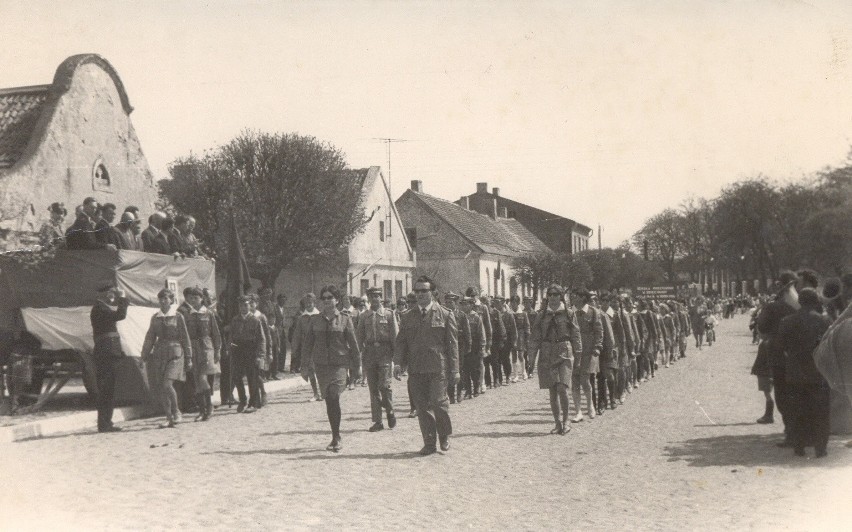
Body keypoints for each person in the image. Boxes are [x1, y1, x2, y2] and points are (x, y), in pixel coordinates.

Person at [394, 275, 459, 455]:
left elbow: (453, 345)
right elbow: (401, 342)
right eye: (417, 291)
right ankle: (429, 442)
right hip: (416, 368)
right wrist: (398, 363)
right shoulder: (408, 316)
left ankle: (444, 435)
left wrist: (455, 370)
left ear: (433, 293)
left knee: (439, 404)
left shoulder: (445, 314)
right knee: (422, 407)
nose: (420, 294)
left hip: (438, 367)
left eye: (424, 291)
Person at [301, 285, 362, 452]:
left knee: (334, 395)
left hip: (339, 365)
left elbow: (354, 345)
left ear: (337, 300)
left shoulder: (345, 319)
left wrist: (357, 368)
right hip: (321, 366)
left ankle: (337, 437)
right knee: (329, 400)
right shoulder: (315, 320)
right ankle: (335, 435)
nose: (327, 300)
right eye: (324, 298)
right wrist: (304, 367)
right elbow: (307, 345)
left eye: (330, 297)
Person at [778, 288, 831, 458]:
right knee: (821, 412)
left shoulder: (787, 321)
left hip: (795, 373)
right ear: (816, 301)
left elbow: (781, 346)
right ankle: (820, 448)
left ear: (799, 301)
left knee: (797, 410)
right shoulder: (824, 321)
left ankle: (799, 446)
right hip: (818, 373)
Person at [530, 285, 581, 435]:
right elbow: (535, 338)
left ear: (561, 296)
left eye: (555, 294)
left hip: (564, 351)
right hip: (547, 353)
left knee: (562, 387)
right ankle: (557, 423)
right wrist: (531, 358)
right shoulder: (542, 315)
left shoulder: (568, 313)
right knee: (552, 390)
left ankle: (566, 420)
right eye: (550, 294)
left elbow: (576, 335)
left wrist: (578, 355)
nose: (552, 297)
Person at [756, 271, 799, 444]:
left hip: (778, 354)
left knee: (782, 393)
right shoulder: (797, 306)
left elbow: (762, 329)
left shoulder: (772, 307)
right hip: (798, 355)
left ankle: (791, 432)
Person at [141, 289, 193, 428]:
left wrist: (189, 357)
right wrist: (144, 355)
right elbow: (150, 337)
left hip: (176, 352)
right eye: (161, 299)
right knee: (161, 387)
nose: (163, 301)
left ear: (171, 300)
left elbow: (185, 337)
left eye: (165, 298)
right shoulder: (155, 317)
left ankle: (176, 412)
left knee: (167, 384)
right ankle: (168, 417)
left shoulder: (178, 316)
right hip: (160, 353)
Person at [356, 287, 398, 431]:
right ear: (368, 298)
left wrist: (396, 358)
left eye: (377, 296)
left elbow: (395, 337)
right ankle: (378, 421)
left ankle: (390, 411)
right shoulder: (364, 316)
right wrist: (358, 357)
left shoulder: (389, 314)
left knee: (384, 386)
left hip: (385, 353)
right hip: (369, 354)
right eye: (372, 296)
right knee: (373, 388)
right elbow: (359, 338)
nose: (374, 298)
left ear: (381, 297)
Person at [90, 284, 129, 432]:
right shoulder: (99, 309)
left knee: (108, 388)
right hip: (105, 352)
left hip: (108, 351)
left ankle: (107, 422)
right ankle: (104, 424)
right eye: (110, 292)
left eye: (113, 292)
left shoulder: (103, 308)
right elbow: (120, 315)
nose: (112, 295)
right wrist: (123, 297)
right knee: (106, 388)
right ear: (103, 294)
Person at [183, 287, 221, 421]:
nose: (193, 300)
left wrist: (218, 350)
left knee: (202, 378)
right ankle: (202, 410)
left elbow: (215, 333)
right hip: (193, 348)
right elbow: (185, 335)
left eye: (196, 298)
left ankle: (209, 406)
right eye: (191, 298)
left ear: (201, 299)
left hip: (207, 347)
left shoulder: (208, 313)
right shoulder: (187, 315)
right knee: (197, 380)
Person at [229, 295, 266, 413]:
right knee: (236, 377)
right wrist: (230, 348)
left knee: (252, 378)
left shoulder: (255, 320)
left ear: (250, 306)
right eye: (241, 305)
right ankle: (243, 400)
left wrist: (260, 355)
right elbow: (231, 336)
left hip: (251, 350)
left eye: (245, 305)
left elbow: (261, 339)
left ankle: (253, 403)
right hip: (238, 350)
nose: (243, 308)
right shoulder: (235, 320)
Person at [572, 289, 602, 423]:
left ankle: (590, 405)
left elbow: (599, 331)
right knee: (574, 381)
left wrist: (597, 347)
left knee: (585, 380)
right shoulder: (570, 311)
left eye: (576, 296)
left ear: (582, 298)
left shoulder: (593, 311)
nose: (573, 298)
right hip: (572, 350)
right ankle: (578, 411)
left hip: (587, 351)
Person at [442, 292, 469, 403]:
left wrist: (468, 346)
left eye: (451, 302)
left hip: (460, 346)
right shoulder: (443, 315)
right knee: (448, 370)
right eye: (447, 302)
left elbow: (467, 333)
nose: (448, 304)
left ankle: (459, 392)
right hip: (447, 346)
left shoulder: (462, 315)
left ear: (456, 303)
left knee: (459, 369)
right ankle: (450, 395)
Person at [458, 296, 486, 399]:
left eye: (466, 304)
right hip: (464, 345)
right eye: (462, 304)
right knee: (465, 369)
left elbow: (481, 332)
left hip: (475, 345)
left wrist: (482, 346)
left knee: (475, 369)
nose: (464, 306)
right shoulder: (460, 316)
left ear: (471, 305)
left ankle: (476, 389)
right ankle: (468, 391)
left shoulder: (476, 317)